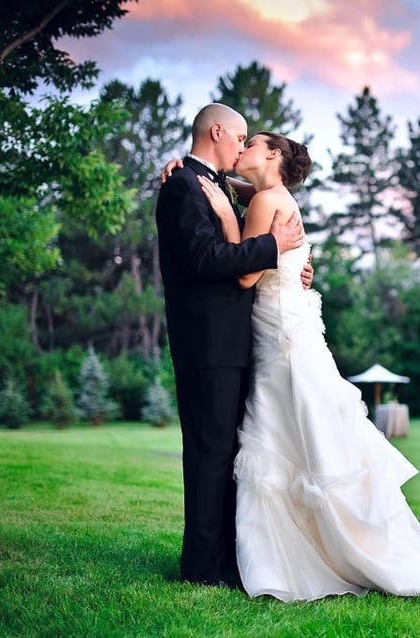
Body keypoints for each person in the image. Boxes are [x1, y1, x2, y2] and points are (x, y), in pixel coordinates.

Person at [197, 130, 420, 602]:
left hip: (280, 335)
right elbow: (244, 201)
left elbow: (245, 272)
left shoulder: (267, 200)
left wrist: (226, 214)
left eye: (253, 143)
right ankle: (316, 546)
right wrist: (214, 183)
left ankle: (297, 554)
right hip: (287, 329)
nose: (242, 148)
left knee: (285, 433)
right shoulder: (270, 194)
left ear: (272, 155)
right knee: (300, 433)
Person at [155, 103, 312, 588]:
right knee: (209, 453)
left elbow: (263, 209)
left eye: (251, 143)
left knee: (225, 453)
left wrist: (292, 265)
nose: (242, 147)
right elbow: (205, 258)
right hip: (207, 343)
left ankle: (225, 558)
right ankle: (202, 570)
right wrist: (275, 249)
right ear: (216, 131)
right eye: (239, 138)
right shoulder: (183, 184)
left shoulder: (217, 184)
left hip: (235, 341)